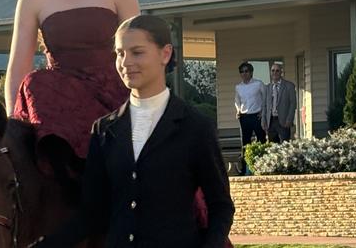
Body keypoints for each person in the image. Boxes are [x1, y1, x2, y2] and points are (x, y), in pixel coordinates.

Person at [30, 15, 235, 248]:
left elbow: (221, 206)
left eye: (137, 52)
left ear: (165, 54)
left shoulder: (196, 127)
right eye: (119, 53)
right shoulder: (104, 130)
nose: (125, 62)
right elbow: (91, 215)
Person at [5, 0, 139, 189]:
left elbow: (142, 53)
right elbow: (18, 69)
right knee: (35, 84)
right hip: (62, 106)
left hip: (116, 97)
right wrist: (10, 132)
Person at [234, 62, 266, 174]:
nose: (244, 73)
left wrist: (263, 111)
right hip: (244, 116)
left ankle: (263, 166)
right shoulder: (238, 87)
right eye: (242, 71)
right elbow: (237, 100)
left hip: (256, 115)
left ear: (251, 72)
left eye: (246, 71)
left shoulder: (258, 84)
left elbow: (265, 98)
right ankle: (245, 170)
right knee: (245, 142)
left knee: (261, 140)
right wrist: (238, 110)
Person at [262, 62, 296, 143]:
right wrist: (263, 120)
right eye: (273, 70)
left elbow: (293, 104)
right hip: (271, 121)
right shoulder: (267, 87)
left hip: (283, 120)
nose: (275, 73)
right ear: (270, 72)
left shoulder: (289, 86)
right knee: (273, 146)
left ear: (281, 72)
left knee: (285, 146)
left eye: (277, 71)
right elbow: (264, 105)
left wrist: (289, 119)